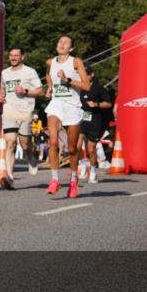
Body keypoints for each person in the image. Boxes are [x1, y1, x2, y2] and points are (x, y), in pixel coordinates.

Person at [43, 36, 91, 197]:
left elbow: (86, 85)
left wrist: (67, 80)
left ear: (71, 48)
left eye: (66, 42)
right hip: (56, 104)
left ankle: (73, 180)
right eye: (60, 41)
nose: (62, 44)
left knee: (71, 149)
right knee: (53, 142)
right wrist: (50, 87)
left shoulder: (76, 62)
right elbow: (48, 75)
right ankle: (55, 180)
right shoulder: (50, 62)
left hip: (72, 106)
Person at [0, 47, 44, 189]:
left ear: (22, 57)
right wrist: (1, 95)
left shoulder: (30, 72)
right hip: (9, 111)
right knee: (10, 142)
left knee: (24, 144)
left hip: (25, 111)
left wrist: (25, 91)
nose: (13, 58)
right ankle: (10, 177)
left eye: (16, 55)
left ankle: (30, 155)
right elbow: (2, 88)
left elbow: (40, 91)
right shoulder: (4, 73)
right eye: (11, 55)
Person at [77, 65, 112, 184]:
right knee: (77, 145)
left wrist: (96, 104)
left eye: (87, 74)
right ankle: (82, 164)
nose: (85, 76)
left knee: (91, 149)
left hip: (95, 120)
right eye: (83, 74)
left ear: (92, 75)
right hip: (81, 119)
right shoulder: (79, 87)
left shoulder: (99, 88)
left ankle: (93, 171)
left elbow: (108, 104)